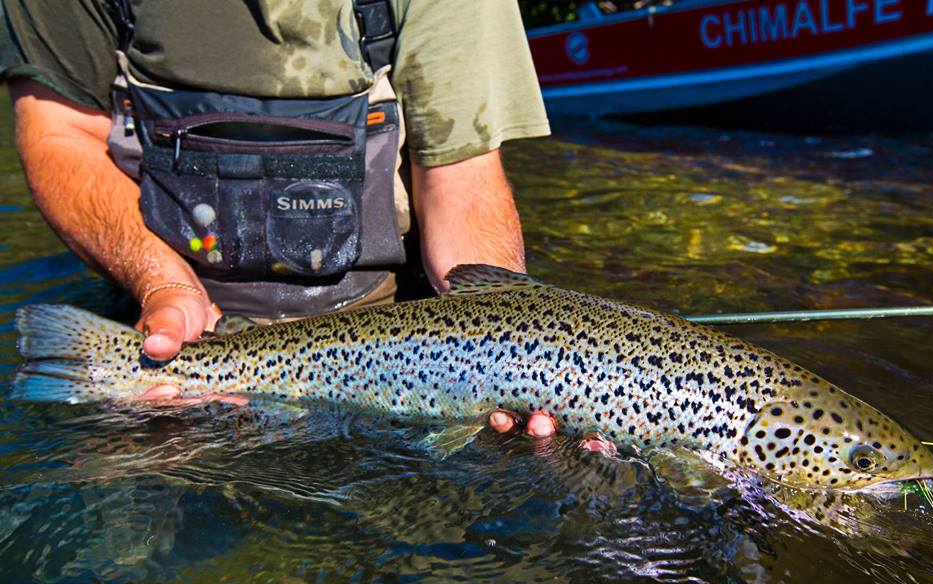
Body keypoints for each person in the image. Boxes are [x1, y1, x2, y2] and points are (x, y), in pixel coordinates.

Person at [1, 0, 561, 437]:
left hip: (389, 329)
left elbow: (460, 174)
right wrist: (163, 286)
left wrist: (503, 355)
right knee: (131, 560)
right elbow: (61, 135)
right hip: (166, 316)